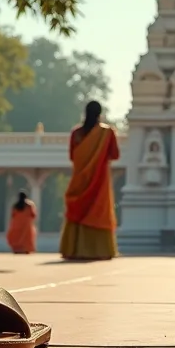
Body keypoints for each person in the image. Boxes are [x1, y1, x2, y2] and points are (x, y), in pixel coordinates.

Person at [60, 101, 120, 260]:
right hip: (99, 180)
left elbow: (73, 156)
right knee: (97, 211)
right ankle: (99, 250)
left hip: (79, 179)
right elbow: (115, 155)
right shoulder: (107, 133)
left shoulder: (76, 133)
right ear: (100, 113)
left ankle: (74, 249)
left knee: (77, 209)